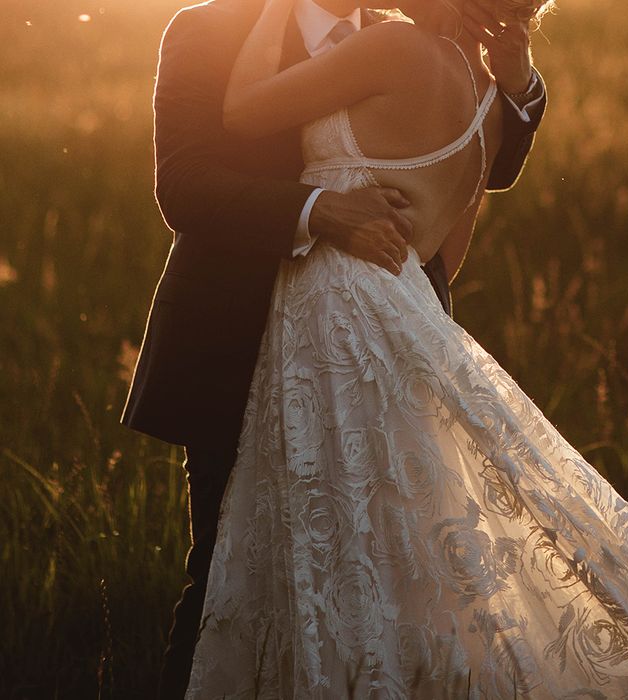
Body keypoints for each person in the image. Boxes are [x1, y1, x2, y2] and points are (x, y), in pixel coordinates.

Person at [179, 0, 628, 696]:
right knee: (392, 557)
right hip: (394, 320)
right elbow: (444, 259)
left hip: (327, 314)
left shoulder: (389, 50)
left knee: (310, 548)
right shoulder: (489, 105)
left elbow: (244, 111)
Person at [120, 0, 546, 695]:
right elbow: (185, 183)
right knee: (228, 571)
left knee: (377, 574)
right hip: (234, 340)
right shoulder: (208, 30)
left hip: (373, 346)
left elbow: (485, 161)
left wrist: (520, 85)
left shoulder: (397, 42)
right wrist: (318, 209)